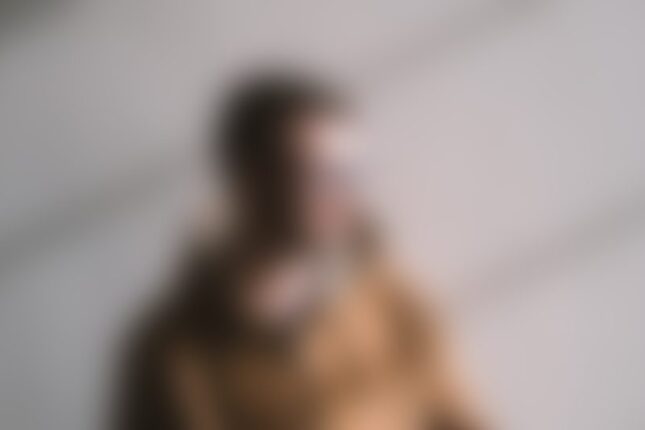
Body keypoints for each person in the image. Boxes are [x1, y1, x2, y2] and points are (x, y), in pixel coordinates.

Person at [117, 72, 487, 430]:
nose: (342, 194)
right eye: (315, 174)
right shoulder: (173, 353)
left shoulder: (394, 305)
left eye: (351, 174)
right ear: (250, 180)